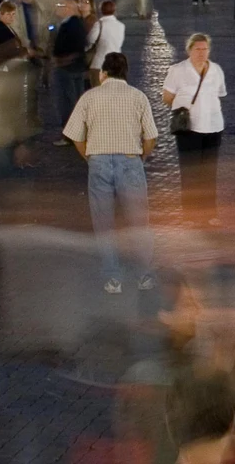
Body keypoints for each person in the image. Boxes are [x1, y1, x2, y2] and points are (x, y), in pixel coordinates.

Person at [64, 52, 158, 294]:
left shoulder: (90, 97)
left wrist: (90, 156)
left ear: (103, 73)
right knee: (138, 221)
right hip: (130, 159)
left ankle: (113, 278)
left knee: (103, 221)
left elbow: (74, 135)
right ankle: (143, 275)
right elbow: (151, 137)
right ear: (125, 73)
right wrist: (141, 157)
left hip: (99, 162)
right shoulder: (138, 97)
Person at [163, 32, 228, 225]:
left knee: (209, 172)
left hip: (214, 126)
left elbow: (220, 93)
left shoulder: (216, 70)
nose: (201, 53)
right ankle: (190, 215)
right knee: (190, 172)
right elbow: (167, 97)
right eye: (197, 49)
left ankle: (209, 213)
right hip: (188, 128)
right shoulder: (178, 70)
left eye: (204, 49)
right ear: (189, 50)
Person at [49, 0, 91, 143]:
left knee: (67, 102)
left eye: (61, 5)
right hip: (75, 68)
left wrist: (62, 60)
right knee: (75, 100)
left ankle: (69, 135)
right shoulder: (73, 23)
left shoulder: (71, 24)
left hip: (68, 69)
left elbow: (78, 46)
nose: (58, 8)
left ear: (69, 9)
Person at [88, 0, 126, 74]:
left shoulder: (99, 24)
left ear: (101, 10)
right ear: (114, 10)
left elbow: (90, 40)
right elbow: (120, 43)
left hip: (100, 63)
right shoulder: (121, 25)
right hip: (116, 64)